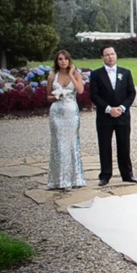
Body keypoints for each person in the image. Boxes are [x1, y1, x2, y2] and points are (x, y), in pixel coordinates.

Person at [89, 46, 137, 186]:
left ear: (116, 55)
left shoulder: (126, 73)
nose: (110, 57)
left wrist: (122, 108)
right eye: (107, 55)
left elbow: (131, 93)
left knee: (124, 145)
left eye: (112, 54)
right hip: (105, 116)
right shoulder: (97, 74)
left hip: (122, 116)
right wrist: (108, 109)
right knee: (105, 146)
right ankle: (105, 175)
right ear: (102, 57)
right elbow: (94, 95)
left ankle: (127, 174)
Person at [45, 49, 87, 191]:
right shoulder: (52, 76)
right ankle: (60, 180)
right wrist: (56, 97)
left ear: (69, 60)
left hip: (71, 113)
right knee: (59, 145)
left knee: (72, 143)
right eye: (60, 59)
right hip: (57, 113)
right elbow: (48, 97)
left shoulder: (76, 74)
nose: (63, 61)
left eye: (65, 59)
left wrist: (70, 74)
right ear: (57, 61)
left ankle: (75, 178)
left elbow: (80, 90)